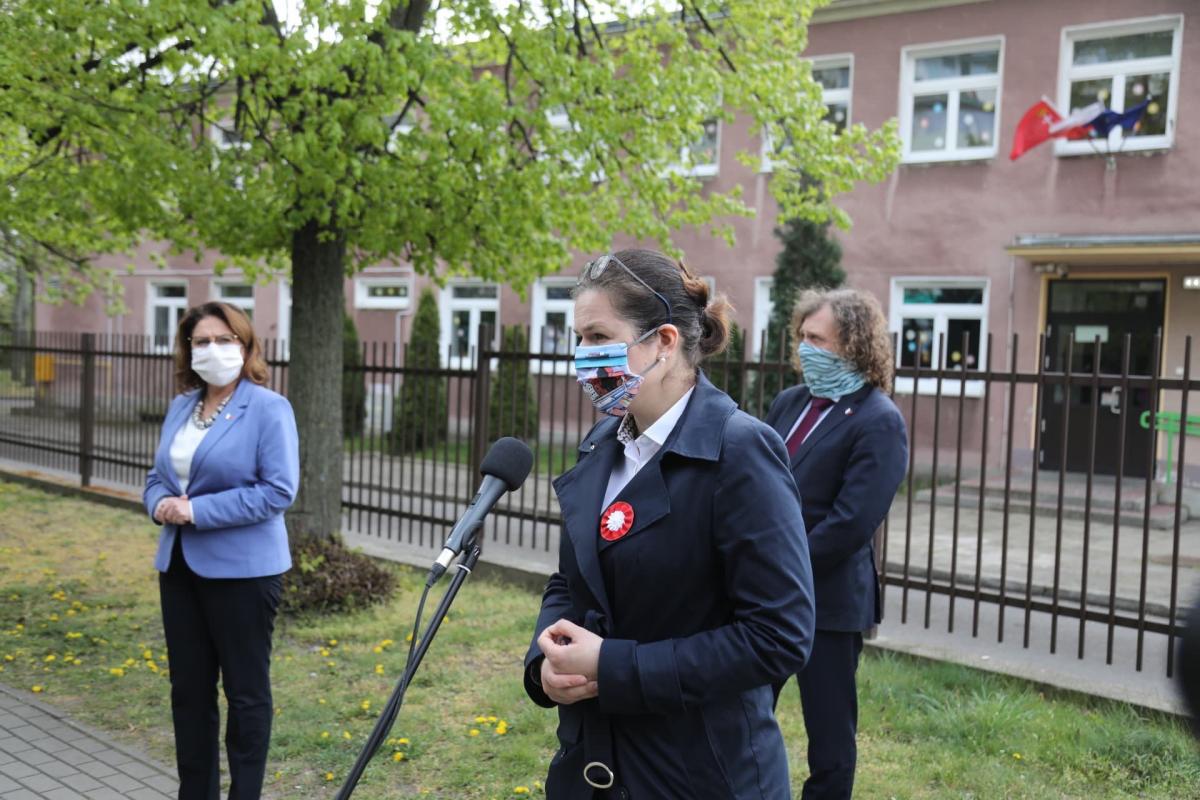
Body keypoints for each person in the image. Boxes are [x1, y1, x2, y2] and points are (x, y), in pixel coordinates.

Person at [523, 249, 816, 799]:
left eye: (597, 337)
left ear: (663, 341)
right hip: (593, 764)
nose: (583, 357)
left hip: (700, 772)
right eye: (579, 339)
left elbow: (779, 636)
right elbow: (571, 582)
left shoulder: (739, 450)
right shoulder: (603, 444)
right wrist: (544, 663)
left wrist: (614, 665)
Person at [143, 302, 299, 800]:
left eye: (224, 339)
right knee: (188, 694)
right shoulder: (180, 407)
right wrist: (159, 504)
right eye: (202, 341)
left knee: (246, 695)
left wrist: (197, 511)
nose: (213, 349)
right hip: (180, 567)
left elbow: (278, 491)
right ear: (188, 351)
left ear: (246, 346)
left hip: (244, 574)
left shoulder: (269, 408)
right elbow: (155, 479)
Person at [764, 288, 908, 800]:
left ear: (853, 345)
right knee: (744, 708)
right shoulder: (790, 402)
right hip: (766, 598)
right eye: (802, 337)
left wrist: (779, 562)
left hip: (828, 602)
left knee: (829, 734)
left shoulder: (879, 420)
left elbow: (852, 523)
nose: (805, 348)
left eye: (818, 339)